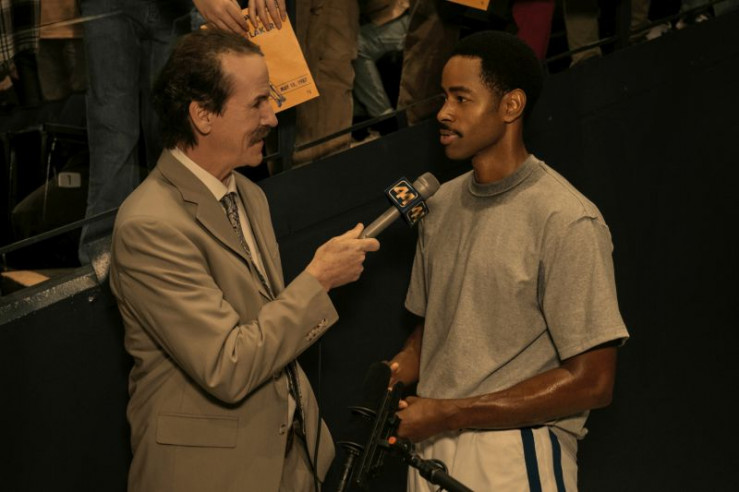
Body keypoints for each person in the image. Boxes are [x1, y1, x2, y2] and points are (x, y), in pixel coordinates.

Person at [108, 29, 380, 491]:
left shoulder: (249, 194)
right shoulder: (148, 225)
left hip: (292, 464)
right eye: (257, 103)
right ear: (202, 115)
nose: (272, 117)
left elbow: (264, 329)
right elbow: (227, 365)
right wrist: (318, 281)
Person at [388, 31, 629, 491]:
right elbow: (433, 334)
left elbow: (594, 382)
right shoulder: (438, 205)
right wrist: (389, 378)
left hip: (515, 451)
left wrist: (451, 412)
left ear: (511, 106)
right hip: (429, 445)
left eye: (461, 98)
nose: (443, 113)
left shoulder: (566, 218)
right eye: (443, 97)